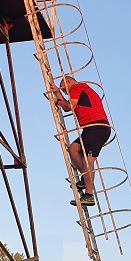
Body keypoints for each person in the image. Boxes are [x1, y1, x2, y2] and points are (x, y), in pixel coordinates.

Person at [49, 75, 111, 207]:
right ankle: (85, 178)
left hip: (96, 127)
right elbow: (68, 104)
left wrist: (57, 101)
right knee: (73, 149)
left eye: (64, 89)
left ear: (69, 82)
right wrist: (57, 92)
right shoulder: (80, 88)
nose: (66, 93)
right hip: (91, 128)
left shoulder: (77, 87)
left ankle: (89, 195)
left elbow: (69, 106)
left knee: (87, 161)